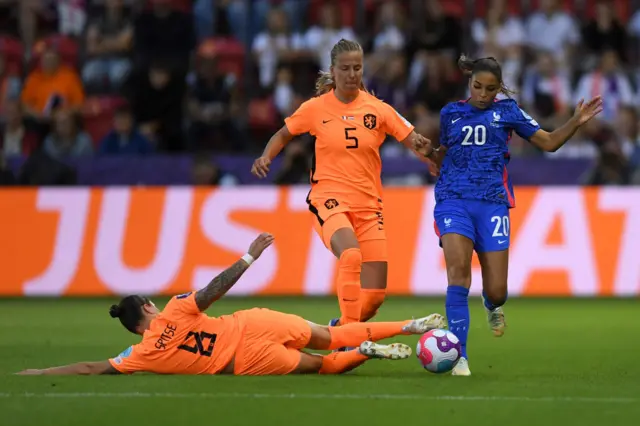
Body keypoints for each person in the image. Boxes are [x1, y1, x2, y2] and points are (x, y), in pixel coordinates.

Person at [17, 233, 446, 376]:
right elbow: (212, 291)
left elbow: (92, 368)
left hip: (246, 359)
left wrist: (40, 372)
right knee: (331, 334)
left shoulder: (140, 356)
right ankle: (410, 324)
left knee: (323, 365)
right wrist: (249, 256)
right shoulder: (174, 309)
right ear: (147, 306)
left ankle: (366, 353)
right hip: (251, 323)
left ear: (130, 329)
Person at [414, 55, 603, 376]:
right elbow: (447, 152)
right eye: (477, 87)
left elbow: (549, 142)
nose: (483, 94)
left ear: (499, 89)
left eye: (490, 89)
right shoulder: (451, 113)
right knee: (458, 272)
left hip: (492, 203)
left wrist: (575, 121)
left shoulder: (508, 112)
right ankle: (459, 355)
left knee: (498, 290)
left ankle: (492, 305)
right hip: (453, 199)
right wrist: (430, 154)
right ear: (469, 83)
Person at [251, 39, 436, 337]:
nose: (352, 74)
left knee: (374, 296)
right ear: (333, 71)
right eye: (346, 68)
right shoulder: (315, 108)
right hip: (329, 199)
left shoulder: (379, 109)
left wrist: (427, 155)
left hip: (368, 206)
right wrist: (266, 156)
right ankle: (348, 341)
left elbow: (411, 137)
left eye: (358, 68)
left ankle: (337, 331)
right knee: (350, 255)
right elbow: (284, 133)